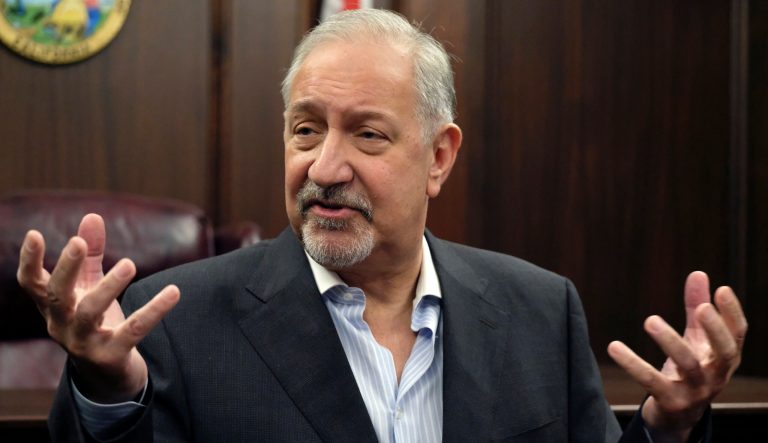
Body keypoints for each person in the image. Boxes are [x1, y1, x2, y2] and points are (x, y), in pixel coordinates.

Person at [17, 9, 746, 443]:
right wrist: (107, 387)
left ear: (438, 156)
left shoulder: (539, 310)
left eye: (367, 136)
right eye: (306, 130)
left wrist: (672, 426)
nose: (325, 167)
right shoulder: (176, 322)